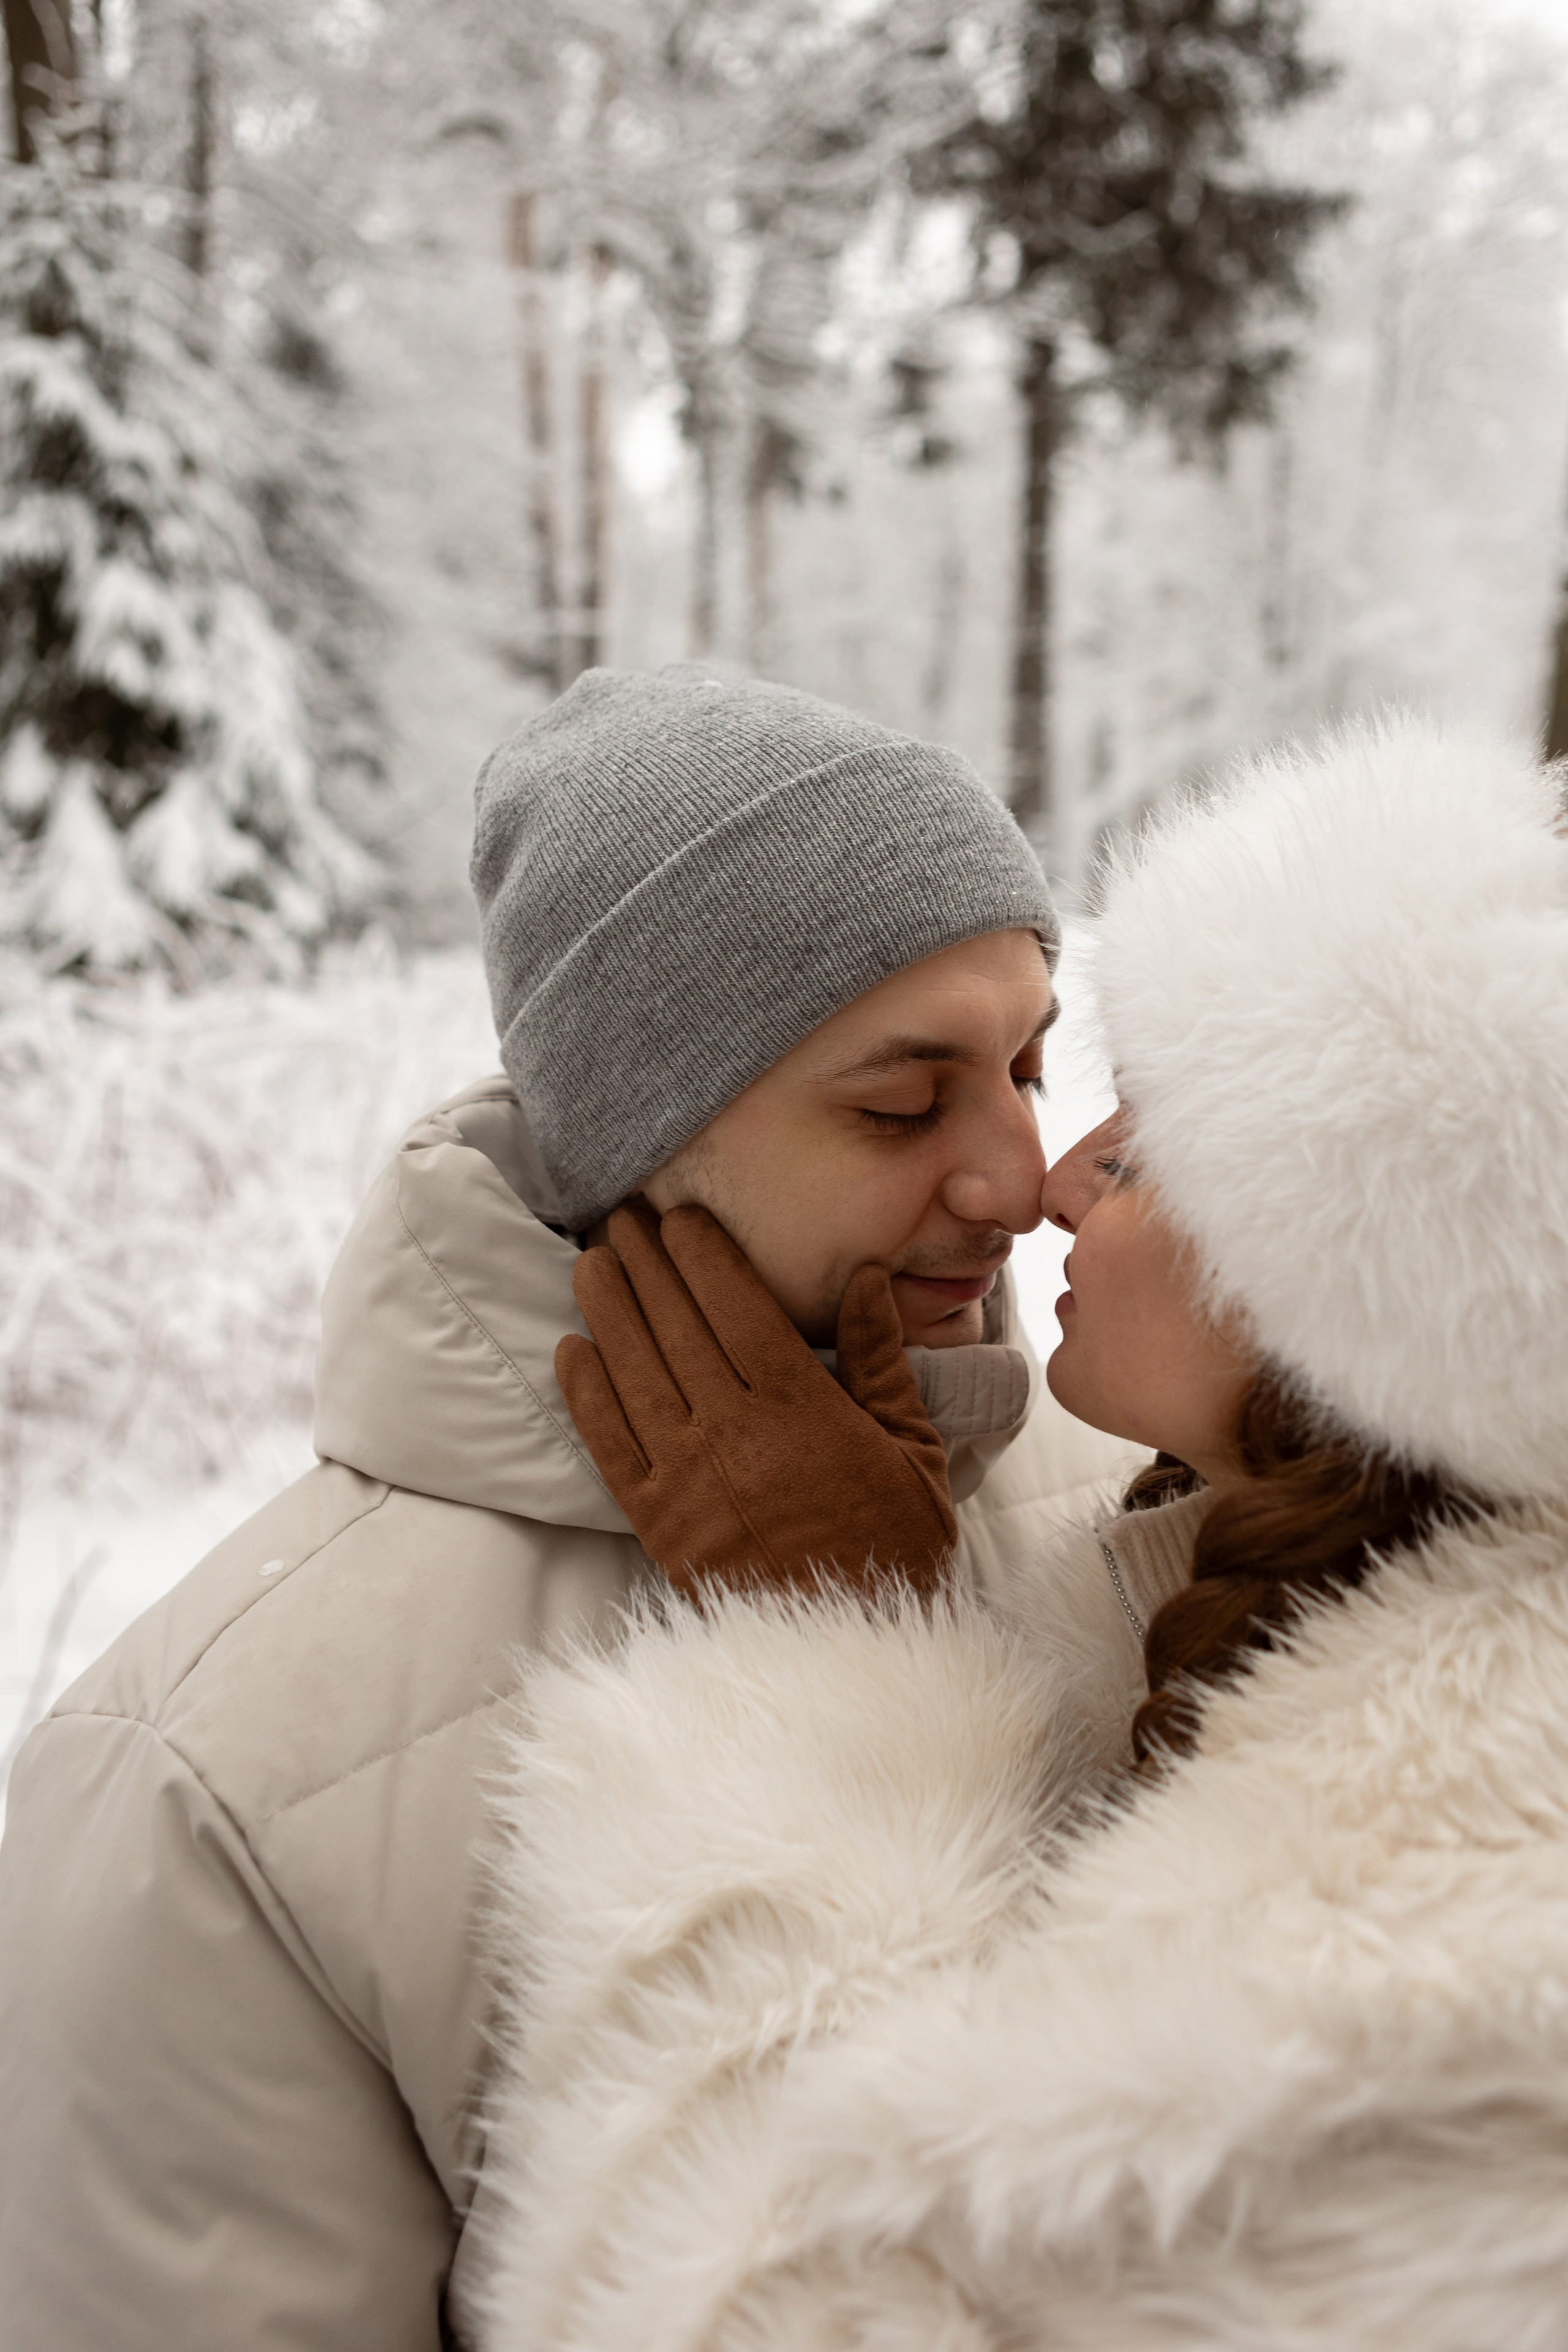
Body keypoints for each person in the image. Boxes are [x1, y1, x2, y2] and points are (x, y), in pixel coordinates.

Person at [0, 667, 1135, 2352]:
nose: (1018, 1175)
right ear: (639, 1127)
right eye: (903, 1101)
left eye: (1029, 1066)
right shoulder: (198, 1783)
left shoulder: (1143, 1501)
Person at [475, 711, 1568, 2349]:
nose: (1041, 1179)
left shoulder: (1442, 1912)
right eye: (906, 1101)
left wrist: (824, 1654)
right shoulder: (1217, 1582)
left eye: (1140, 1139)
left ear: (1348, 1284)